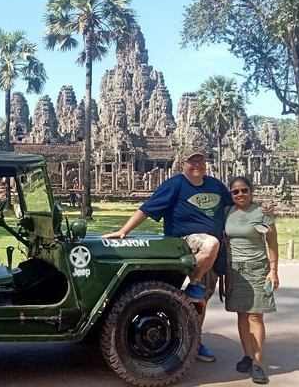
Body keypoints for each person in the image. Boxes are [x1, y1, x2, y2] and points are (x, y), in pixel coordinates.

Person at [102, 145, 273, 363]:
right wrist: (124, 230)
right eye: (192, 161)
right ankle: (193, 281)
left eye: (201, 161)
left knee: (201, 298)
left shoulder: (215, 185)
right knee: (209, 245)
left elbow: (239, 202)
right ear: (183, 164)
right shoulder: (175, 184)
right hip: (186, 243)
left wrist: (263, 207)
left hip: (212, 255)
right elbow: (148, 208)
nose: (197, 164)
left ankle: (194, 341)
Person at [226, 176, 279, 385]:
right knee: (241, 314)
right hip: (235, 270)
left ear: (251, 191)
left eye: (244, 190)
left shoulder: (262, 213)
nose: (240, 194)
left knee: (256, 317)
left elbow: (273, 242)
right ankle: (247, 355)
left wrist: (273, 271)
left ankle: (257, 363)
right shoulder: (227, 212)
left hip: (258, 269)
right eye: (235, 191)